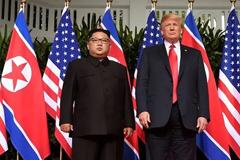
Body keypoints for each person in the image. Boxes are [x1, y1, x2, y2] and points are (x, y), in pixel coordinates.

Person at [136, 14, 210, 160]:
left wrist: (203, 114)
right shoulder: (149, 53)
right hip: (156, 116)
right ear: (161, 31)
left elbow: (201, 86)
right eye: (167, 25)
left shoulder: (194, 55)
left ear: (181, 30)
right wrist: (142, 110)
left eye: (175, 25)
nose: (171, 28)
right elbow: (142, 83)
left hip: (186, 117)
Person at [59, 29, 135, 160]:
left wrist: (129, 123)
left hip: (114, 129)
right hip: (85, 128)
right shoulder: (77, 66)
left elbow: (126, 98)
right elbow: (67, 95)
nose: (100, 44)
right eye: (95, 40)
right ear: (88, 45)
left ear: (110, 46)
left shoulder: (120, 69)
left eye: (104, 41)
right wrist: (66, 120)